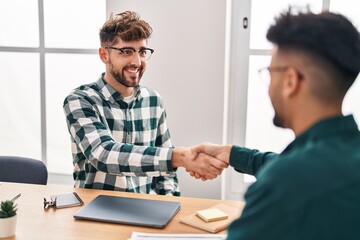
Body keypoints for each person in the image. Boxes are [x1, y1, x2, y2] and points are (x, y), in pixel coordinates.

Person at [193, 8, 360, 239]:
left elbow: (292, 175)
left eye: (270, 72)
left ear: (290, 80)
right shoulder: (346, 153)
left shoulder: (283, 186)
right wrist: (231, 153)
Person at [63, 11, 227, 196]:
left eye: (142, 51)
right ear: (104, 55)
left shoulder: (154, 101)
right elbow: (103, 154)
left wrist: (169, 205)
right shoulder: (80, 100)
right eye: (126, 51)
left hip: (143, 210)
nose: (137, 61)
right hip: (93, 212)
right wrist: (180, 157)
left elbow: (166, 174)